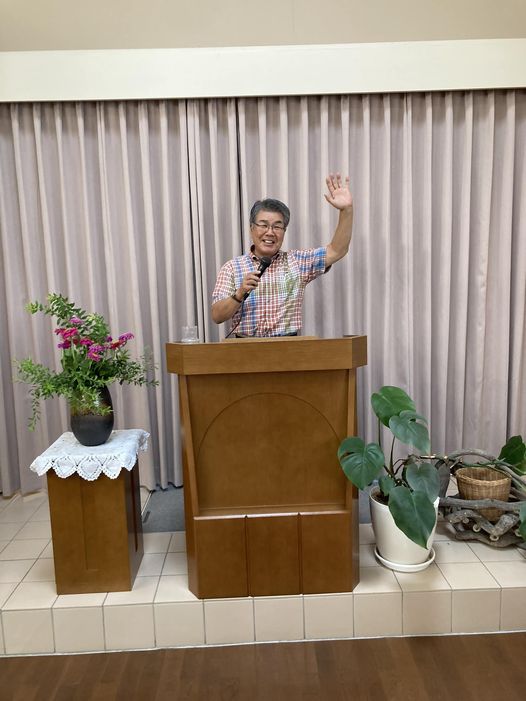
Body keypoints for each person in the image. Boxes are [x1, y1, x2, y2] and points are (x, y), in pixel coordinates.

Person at [211, 173, 353, 337]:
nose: (270, 232)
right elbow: (217, 316)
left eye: (277, 227)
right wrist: (239, 293)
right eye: (263, 225)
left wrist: (346, 210)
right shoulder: (232, 268)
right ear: (252, 229)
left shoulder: (297, 262)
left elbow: (337, 250)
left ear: (284, 231)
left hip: (288, 348)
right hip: (245, 348)